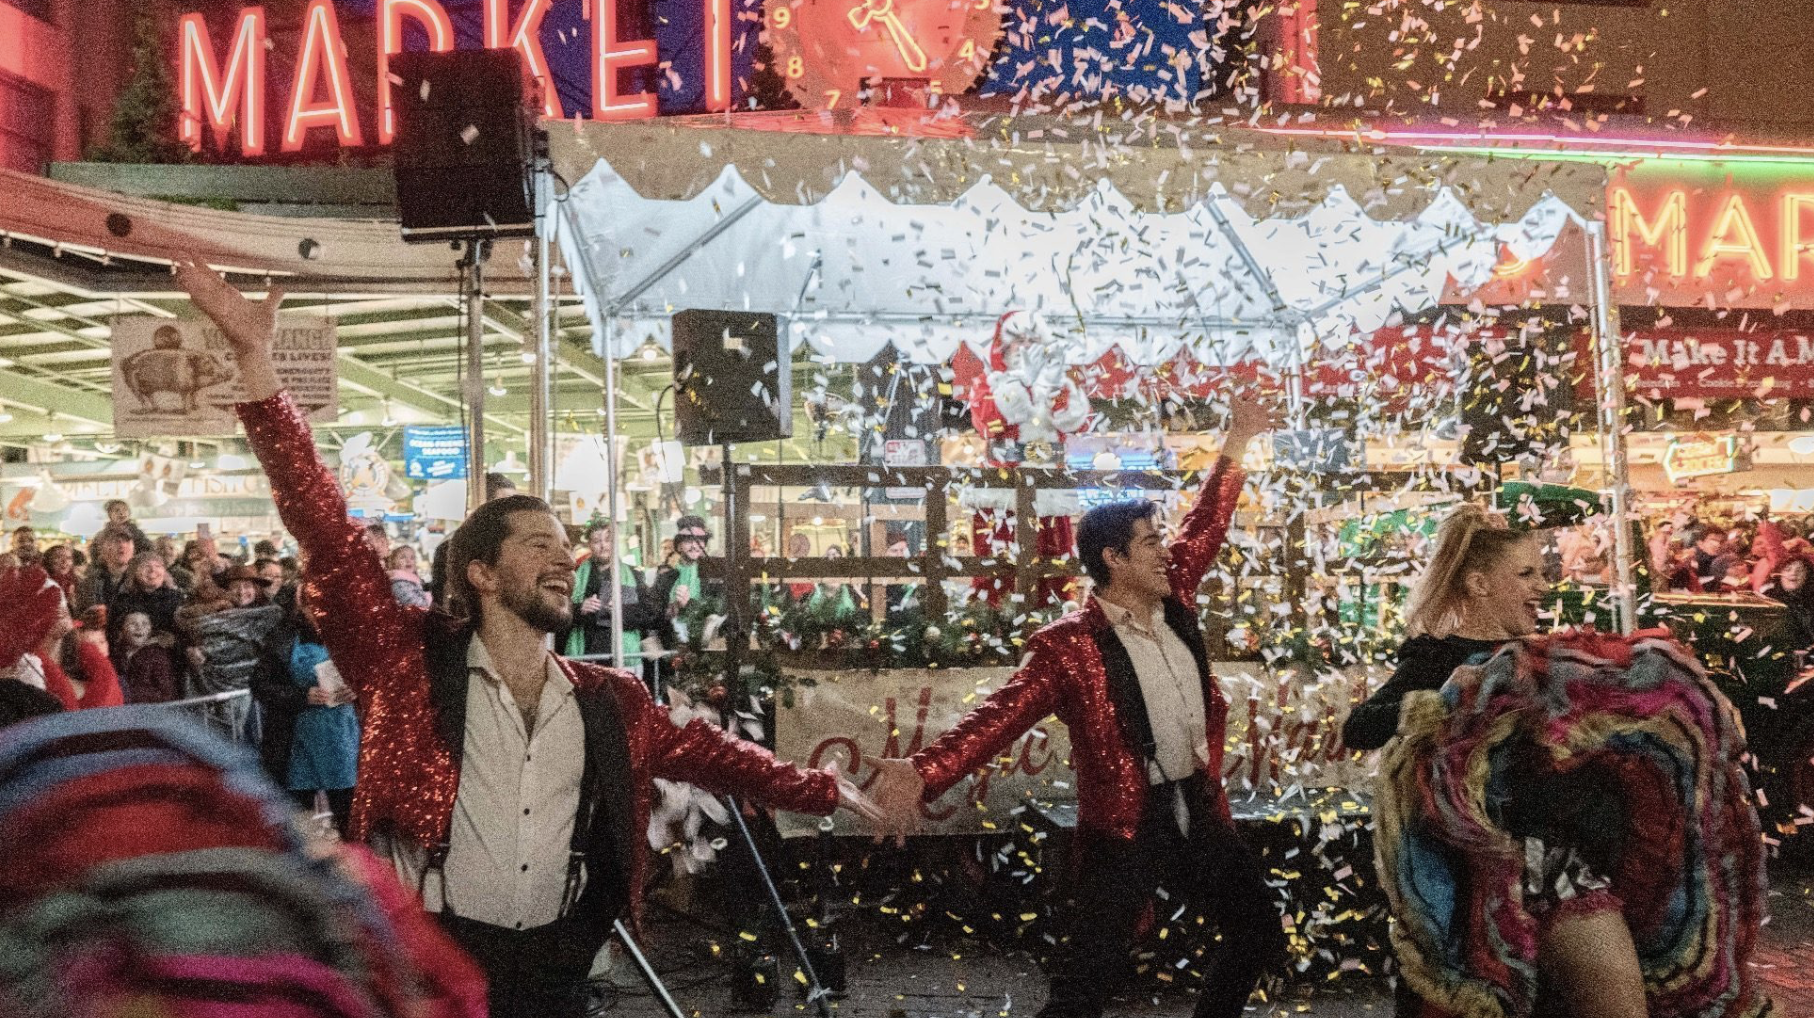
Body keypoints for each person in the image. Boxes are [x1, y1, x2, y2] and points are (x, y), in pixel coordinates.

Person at [176, 254, 881, 1018]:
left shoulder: (611, 699)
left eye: (565, 544)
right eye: (538, 544)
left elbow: (722, 758)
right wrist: (256, 360)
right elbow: (324, 527)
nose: (563, 556)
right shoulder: (403, 658)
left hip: (556, 968)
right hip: (430, 964)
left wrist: (834, 788)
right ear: (479, 572)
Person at [870, 395, 1285, 1018]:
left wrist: (1238, 442)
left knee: (1258, 933)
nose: (1165, 552)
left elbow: (1207, 522)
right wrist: (926, 771)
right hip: (1124, 824)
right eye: (1149, 543)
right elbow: (999, 718)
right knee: (1087, 984)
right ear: (1113, 560)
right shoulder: (1070, 648)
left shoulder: (1177, 599)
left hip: (1196, 805)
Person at [1341, 505, 1648, 1018]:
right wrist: (1441, 699)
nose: (1542, 586)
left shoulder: (1542, 658)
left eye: (1542, 572)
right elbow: (1360, 726)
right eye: (1525, 573)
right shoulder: (1438, 658)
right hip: (1474, 885)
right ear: (1480, 583)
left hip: (1558, 866)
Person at [252, 584, 359, 836]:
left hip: (343, 738)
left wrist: (357, 690)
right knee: (299, 826)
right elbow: (260, 684)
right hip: (295, 741)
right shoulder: (283, 636)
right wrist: (301, 696)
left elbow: (374, 679)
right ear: (303, 607)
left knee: (349, 820)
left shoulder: (351, 636)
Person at [564, 520, 662, 663]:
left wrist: (621, 611)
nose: (603, 546)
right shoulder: (575, 575)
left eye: (608, 540)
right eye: (597, 541)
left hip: (624, 656)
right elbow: (558, 614)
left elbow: (649, 613)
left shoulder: (634, 574)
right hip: (585, 654)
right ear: (589, 545)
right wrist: (579, 609)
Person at [427, 472, 519, 606]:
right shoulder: (451, 546)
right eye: (504, 505)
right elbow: (441, 599)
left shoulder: (518, 545)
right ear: (484, 504)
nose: (514, 511)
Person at [106, 552, 184, 671]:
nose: (153, 570)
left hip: (170, 663)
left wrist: (173, 641)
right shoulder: (122, 601)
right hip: (132, 665)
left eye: (158, 566)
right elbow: (112, 634)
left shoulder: (177, 598)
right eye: (146, 566)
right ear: (134, 572)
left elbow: (186, 635)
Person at [116, 610, 180, 704]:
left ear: (150, 629)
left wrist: (128, 694)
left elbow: (167, 693)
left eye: (145, 624)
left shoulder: (157, 656)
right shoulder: (117, 654)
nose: (139, 627)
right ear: (122, 629)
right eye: (133, 623)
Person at [74, 525, 137, 613]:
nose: (122, 545)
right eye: (115, 541)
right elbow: (80, 617)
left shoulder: (145, 581)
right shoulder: (88, 584)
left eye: (127, 541)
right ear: (101, 549)